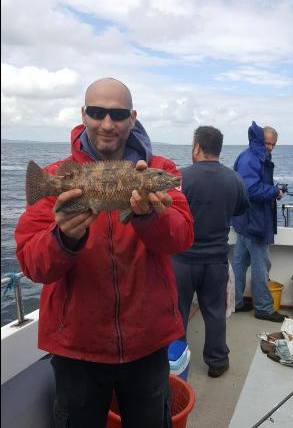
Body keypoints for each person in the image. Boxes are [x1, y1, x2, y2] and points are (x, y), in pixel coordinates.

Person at [15, 77, 194, 428]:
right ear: (83, 115)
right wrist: (62, 240)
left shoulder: (162, 170)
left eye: (118, 113)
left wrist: (147, 217)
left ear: (132, 117)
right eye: (97, 113)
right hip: (77, 349)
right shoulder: (54, 178)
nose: (107, 123)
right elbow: (32, 263)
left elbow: (182, 236)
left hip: (148, 344)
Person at [171, 126, 250, 378]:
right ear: (219, 148)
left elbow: (168, 213)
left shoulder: (181, 178)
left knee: (178, 313)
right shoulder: (234, 179)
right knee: (215, 313)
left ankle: (176, 363)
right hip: (216, 260)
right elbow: (240, 209)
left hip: (182, 260)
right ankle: (217, 361)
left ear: (196, 147)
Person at [231, 121, 286, 323]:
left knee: (239, 263)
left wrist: (274, 192)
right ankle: (263, 307)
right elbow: (250, 189)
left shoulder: (251, 155)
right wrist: (275, 191)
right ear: (260, 140)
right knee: (261, 265)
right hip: (253, 222)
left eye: (273, 145)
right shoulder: (252, 157)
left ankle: (235, 302)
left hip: (244, 221)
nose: (270, 148)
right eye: (267, 143)